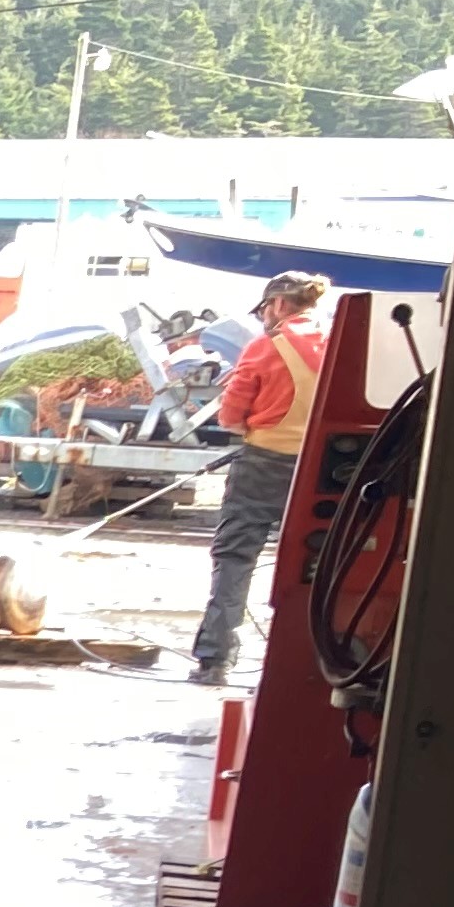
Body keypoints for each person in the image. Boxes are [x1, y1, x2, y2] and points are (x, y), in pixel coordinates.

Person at [193, 271, 333, 686]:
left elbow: (231, 418)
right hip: (324, 469)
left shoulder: (265, 347)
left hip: (263, 464)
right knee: (322, 564)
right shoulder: (339, 345)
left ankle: (215, 660)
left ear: (276, 305)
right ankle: (312, 666)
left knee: (236, 558)